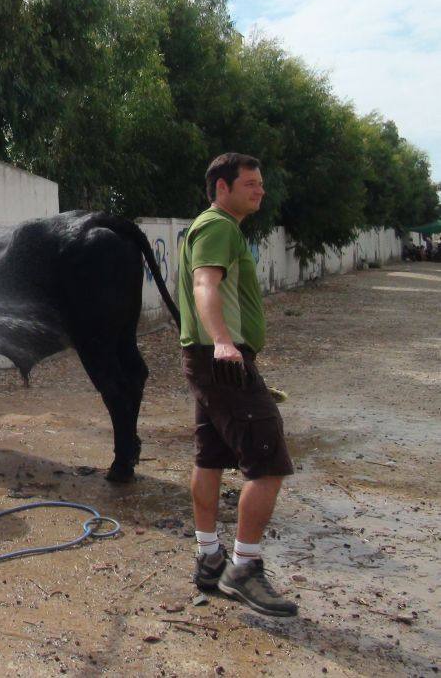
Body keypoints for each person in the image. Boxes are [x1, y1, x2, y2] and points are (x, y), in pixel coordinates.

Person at [177, 153, 298, 618]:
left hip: (207, 358)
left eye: (260, 183)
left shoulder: (210, 227)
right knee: (269, 461)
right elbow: (205, 284)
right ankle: (243, 567)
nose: (260, 190)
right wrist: (226, 344)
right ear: (222, 188)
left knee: (210, 455)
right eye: (250, 183)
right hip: (222, 359)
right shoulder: (219, 227)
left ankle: (209, 557)